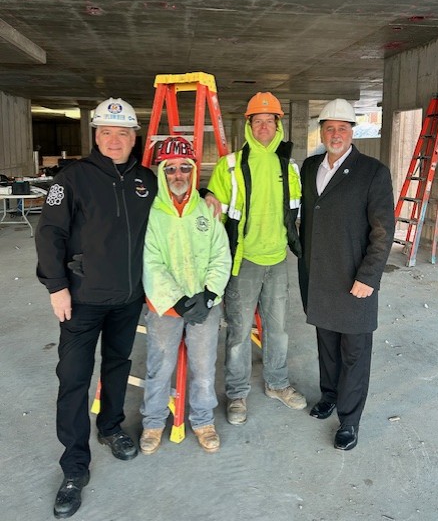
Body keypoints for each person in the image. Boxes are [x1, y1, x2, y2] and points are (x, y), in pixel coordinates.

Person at [35, 98, 157, 519]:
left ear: (134, 137)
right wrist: (56, 287)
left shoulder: (146, 180)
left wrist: (207, 196)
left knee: (117, 365)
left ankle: (110, 427)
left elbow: (175, 210)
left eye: (122, 133)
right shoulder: (71, 178)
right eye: (106, 132)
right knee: (73, 378)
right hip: (82, 299)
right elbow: (49, 234)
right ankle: (74, 466)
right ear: (96, 135)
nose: (114, 140)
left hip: (128, 297)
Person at [298, 98, 395, 451]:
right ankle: (330, 395)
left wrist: (368, 277)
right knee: (327, 345)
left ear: (352, 132)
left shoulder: (373, 172)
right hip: (320, 277)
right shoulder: (310, 167)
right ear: (321, 132)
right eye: (329, 128)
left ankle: (349, 421)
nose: (335, 134)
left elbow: (383, 230)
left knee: (354, 352)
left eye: (342, 128)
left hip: (355, 280)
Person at [208, 91, 306, 426]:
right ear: (249, 125)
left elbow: (298, 211)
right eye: (258, 121)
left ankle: (277, 384)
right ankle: (237, 394)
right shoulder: (230, 165)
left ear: (278, 125)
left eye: (269, 121)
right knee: (238, 332)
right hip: (244, 261)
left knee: (277, 330)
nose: (264, 127)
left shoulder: (289, 167)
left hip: (277, 260)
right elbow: (213, 213)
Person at [140, 136, 231, 454]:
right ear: (161, 172)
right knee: (159, 367)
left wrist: (209, 295)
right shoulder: (152, 213)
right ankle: (153, 422)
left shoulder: (207, 209)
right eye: (170, 169)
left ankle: (203, 421)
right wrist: (176, 301)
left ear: (193, 171)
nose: (178, 175)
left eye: (184, 168)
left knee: (204, 368)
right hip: (165, 307)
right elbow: (150, 262)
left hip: (204, 305)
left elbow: (221, 255)